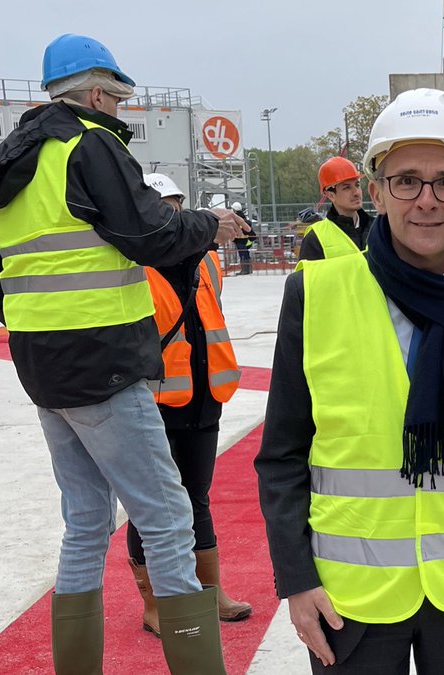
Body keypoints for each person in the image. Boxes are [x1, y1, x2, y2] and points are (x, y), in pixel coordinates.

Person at [0, 34, 246, 674]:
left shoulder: (10, 165)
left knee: (87, 522)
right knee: (170, 520)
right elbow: (150, 232)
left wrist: (44, 325)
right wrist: (208, 224)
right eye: (119, 100)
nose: (122, 113)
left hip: (46, 369)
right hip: (108, 365)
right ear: (97, 94)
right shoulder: (89, 145)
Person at [255, 87, 444, 674]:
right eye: (407, 180)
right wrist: (296, 580)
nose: (427, 201)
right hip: (351, 596)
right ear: (378, 191)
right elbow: (283, 453)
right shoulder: (316, 294)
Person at [126, 173, 252, 637]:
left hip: (204, 395)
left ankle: (209, 590)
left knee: (196, 496)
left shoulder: (207, 263)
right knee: (152, 503)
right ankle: (155, 602)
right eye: (164, 207)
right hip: (154, 399)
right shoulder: (134, 265)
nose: (175, 215)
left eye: (178, 205)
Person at [297, 156, 372, 261]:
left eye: (357, 185)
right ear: (330, 195)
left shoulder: (379, 228)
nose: (356, 192)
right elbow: (309, 277)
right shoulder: (315, 238)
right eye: (347, 187)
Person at [232, 201, 255, 275]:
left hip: (240, 240)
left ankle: (245, 270)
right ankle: (248, 269)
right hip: (245, 240)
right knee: (246, 254)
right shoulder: (244, 218)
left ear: (234, 210)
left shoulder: (237, 219)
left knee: (243, 254)